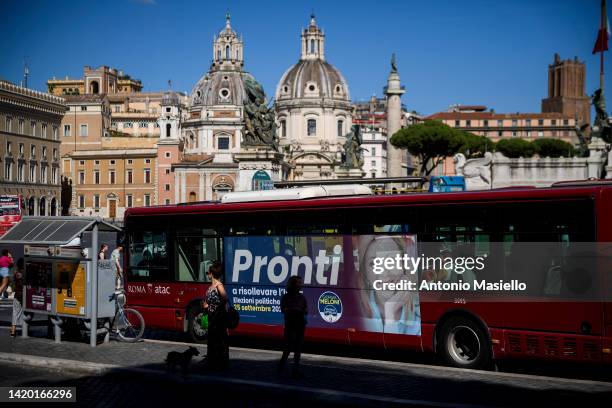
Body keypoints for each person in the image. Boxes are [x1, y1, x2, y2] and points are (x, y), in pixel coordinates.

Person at [278, 276, 308, 378]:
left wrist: (301, 311)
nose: (301, 284)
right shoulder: (286, 297)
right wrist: (295, 310)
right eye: (299, 282)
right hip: (290, 324)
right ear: (293, 284)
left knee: (298, 349)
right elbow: (283, 309)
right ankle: (281, 365)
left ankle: (295, 369)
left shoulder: (302, 297)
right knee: (288, 348)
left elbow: (306, 310)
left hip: (300, 324)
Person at [202, 261, 228, 370]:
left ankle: (219, 363)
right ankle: (212, 362)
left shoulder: (219, 286)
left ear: (212, 274)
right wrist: (206, 305)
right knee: (212, 340)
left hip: (218, 318)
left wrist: (212, 307)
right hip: (211, 317)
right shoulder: (211, 286)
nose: (207, 275)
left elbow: (225, 299)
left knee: (218, 340)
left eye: (208, 273)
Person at [10, 258, 24, 337]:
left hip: (17, 294)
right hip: (24, 295)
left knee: (15, 312)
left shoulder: (15, 273)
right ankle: (25, 327)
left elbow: (13, 283)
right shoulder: (25, 273)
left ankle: (13, 330)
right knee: (27, 312)